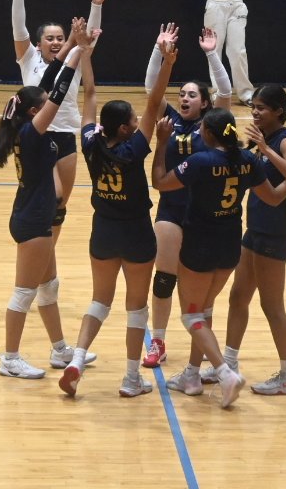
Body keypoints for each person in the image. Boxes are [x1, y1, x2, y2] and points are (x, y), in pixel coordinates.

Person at [58, 25, 178, 398]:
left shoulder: (90, 142)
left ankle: (77, 359)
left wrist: (85, 52)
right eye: (131, 122)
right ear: (126, 129)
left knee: (99, 300)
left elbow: (89, 92)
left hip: (103, 231)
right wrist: (168, 62)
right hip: (137, 232)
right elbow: (155, 100)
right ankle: (130, 379)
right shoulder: (134, 149)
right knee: (136, 308)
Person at [152, 108, 286, 408]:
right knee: (204, 309)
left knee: (191, 315)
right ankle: (191, 375)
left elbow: (160, 183)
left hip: (200, 244)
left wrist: (162, 143)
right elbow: (274, 197)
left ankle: (225, 372)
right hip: (230, 246)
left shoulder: (201, 161)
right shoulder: (248, 160)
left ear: (207, 134)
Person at [0, 17, 98, 380]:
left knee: (49, 286)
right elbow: (60, 88)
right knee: (24, 293)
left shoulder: (24, 126)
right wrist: (78, 49)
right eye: (44, 103)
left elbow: (49, 83)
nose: (50, 102)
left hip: (31, 212)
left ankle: (59, 349)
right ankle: (10, 358)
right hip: (33, 221)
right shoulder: (34, 133)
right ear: (36, 112)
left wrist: (72, 50)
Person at [141, 26, 233, 370]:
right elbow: (152, 87)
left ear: (205, 103)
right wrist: (158, 49)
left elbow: (225, 90)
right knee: (164, 278)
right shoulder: (171, 120)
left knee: (200, 287)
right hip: (171, 207)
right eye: (183, 93)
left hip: (203, 212)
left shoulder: (213, 122)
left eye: (192, 94)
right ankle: (159, 341)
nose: (185, 97)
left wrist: (211, 52)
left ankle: (203, 351)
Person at [217, 85, 286, 396]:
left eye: (262, 107)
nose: (256, 112)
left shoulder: (284, 139)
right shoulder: (263, 140)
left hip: (274, 234)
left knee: (272, 306)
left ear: (278, 111)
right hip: (255, 229)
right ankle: (229, 363)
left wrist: (268, 150)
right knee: (238, 298)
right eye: (254, 106)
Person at [7, 0, 106, 261]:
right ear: (38, 44)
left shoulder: (74, 56)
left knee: (60, 207)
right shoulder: (28, 59)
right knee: (51, 197)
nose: (56, 42)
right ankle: (34, 251)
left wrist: (96, 5)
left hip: (65, 135)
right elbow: (18, 29)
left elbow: (88, 38)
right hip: (37, 137)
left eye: (61, 37)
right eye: (49, 38)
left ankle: (45, 256)